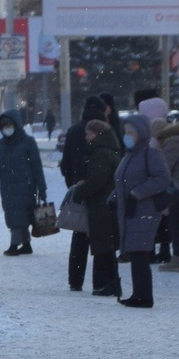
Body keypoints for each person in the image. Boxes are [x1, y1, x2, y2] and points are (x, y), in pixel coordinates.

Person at [110, 113, 172, 308]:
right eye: (125, 131)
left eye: (131, 131)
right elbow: (123, 183)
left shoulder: (150, 153)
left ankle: (144, 296)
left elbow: (163, 179)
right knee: (136, 252)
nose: (127, 135)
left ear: (141, 133)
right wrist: (113, 198)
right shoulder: (129, 155)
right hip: (130, 210)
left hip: (144, 209)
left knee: (139, 251)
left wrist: (137, 193)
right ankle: (139, 294)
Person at [61, 94, 114, 291]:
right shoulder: (106, 131)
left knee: (79, 235)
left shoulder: (74, 130)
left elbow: (65, 163)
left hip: (79, 189)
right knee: (100, 238)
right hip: (101, 191)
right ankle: (100, 282)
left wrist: (74, 185)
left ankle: (75, 280)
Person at [0, 110, 46, 256]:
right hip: (7, 188)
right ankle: (26, 244)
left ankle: (14, 244)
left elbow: (37, 166)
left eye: (9, 125)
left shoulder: (28, 142)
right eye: (4, 126)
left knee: (19, 215)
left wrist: (42, 188)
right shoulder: (1, 144)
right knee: (14, 215)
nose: (7, 128)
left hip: (26, 187)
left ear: (16, 125)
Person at [80, 113, 124, 296]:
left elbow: (97, 181)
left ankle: (111, 284)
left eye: (89, 135)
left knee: (104, 247)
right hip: (108, 203)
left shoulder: (100, 153)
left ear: (97, 135)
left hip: (101, 205)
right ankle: (111, 283)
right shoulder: (112, 149)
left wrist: (80, 191)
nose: (86, 138)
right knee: (107, 247)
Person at [154, 112, 179, 271]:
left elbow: (165, 169)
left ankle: (178, 259)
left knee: (175, 225)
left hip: (177, 189)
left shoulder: (171, 145)